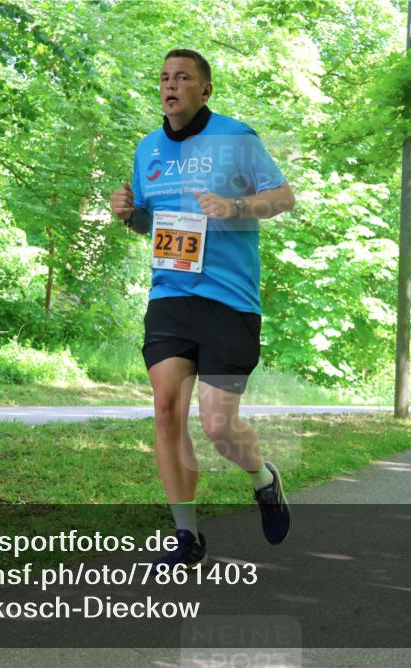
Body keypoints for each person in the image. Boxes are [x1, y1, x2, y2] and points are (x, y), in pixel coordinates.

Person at [110, 50, 295, 565]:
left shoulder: (237, 138)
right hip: (170, 294)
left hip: (229, 300)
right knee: (167, 410)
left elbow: (283, 197)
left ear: (204, 90)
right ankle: (186, 534)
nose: (170, 86)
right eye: (164, 78)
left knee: (217, 425)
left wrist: (237, 207)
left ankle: (263, 479)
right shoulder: (148, 150)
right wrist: (129, 214)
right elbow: (151, 225)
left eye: (182, 78)